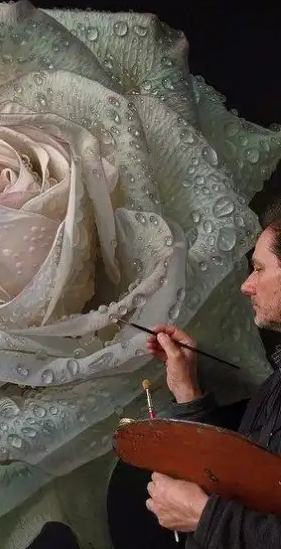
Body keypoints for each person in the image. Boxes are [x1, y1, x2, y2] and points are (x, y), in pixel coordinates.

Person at [144, 202, 281, 548]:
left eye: (259, 269)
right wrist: (186, 389)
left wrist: (203, 516)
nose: (246, 285)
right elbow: (237, 476)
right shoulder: (275, 383)